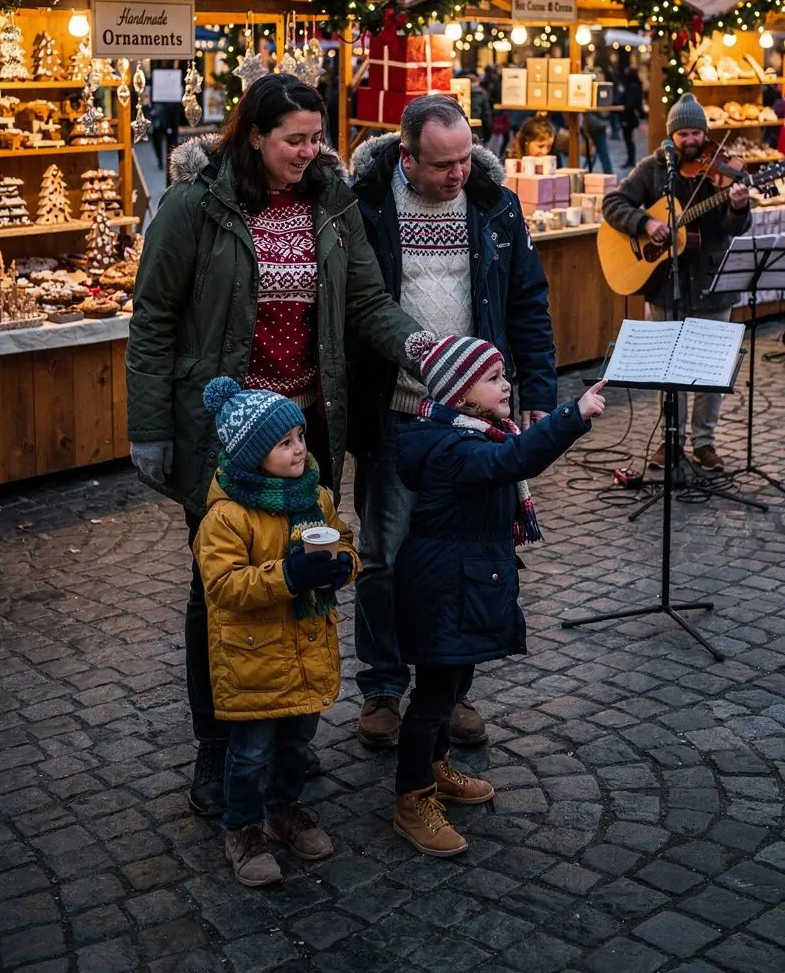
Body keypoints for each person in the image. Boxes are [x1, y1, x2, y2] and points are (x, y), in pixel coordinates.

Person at [126, 74, 424, 817]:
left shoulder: (332, 202)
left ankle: (286, 739)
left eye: (316, 136)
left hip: (306, 431)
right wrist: (150, 428)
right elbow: (154, 319)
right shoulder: (196, 206)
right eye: (294, 138)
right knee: (220, 592)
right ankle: (217, 747)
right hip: (224, 438)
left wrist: (424, 348)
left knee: (305, 580)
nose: (309, 150)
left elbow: (365, 301)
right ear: (253, 136)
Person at [348, 96, 558, 751]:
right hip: (394, 410)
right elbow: (358, 305)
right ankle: (384, 687)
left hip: (470, 417)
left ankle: (448, 691)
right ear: (406, 155)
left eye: (466, 158)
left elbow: (527, 298)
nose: (458, 174)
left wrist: (539, 391)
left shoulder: (494, 202)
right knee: (383, 556)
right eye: (443, 165)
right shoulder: (367, 205)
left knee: (460, 553)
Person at [392, 336, 607, 856]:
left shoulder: (476, 433)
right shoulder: (455, 449)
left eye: (503, 374)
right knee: (433, 697)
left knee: (455, 681)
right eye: (492, 378)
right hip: (443, 588)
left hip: (463, 582)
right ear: (461, 392)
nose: (506, 383)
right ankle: (411, 797)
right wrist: (572, 415)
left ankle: (437, 768)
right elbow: (517, 460)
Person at [194, 379, 360, 888]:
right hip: (254, 660)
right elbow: (222, 586)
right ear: (251, 454)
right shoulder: (226, 517)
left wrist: (341, 568)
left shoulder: (317, 497)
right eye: (284, 442)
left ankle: (284, 808)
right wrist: (288, 576)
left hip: (309, 645)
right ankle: (242, 827)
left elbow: (346, 544)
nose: (299, 449)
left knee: (297, 743)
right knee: (249, 753)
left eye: (300, 437)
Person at [601, 92, 751, 472]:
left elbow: (736, 228)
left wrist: (737, 205)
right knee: (669, 369)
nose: (690, 141)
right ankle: (671, 441)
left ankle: (705, 442)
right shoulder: (654, 168)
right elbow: (613, 204)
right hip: (665, 285)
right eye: (682, 134)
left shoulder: (723, 173)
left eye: (695, 134)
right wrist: (646, 223)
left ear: (705, 134)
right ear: (672, 136)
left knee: (712, 369)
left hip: (714, 283)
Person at [619, 67, 645, 170]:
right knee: (628, 139)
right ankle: (630, 160)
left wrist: (625, 108)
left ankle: (631, 160)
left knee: (629, 139)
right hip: (628, 115)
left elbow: (631, 102)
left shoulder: (633, 86)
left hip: (629, 116)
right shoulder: (633, 85)